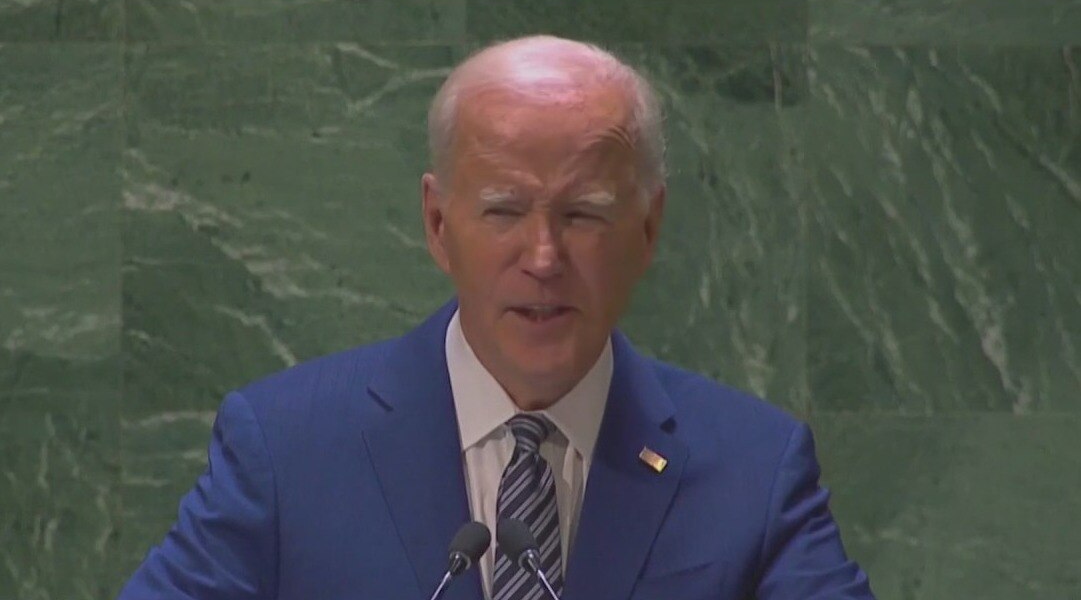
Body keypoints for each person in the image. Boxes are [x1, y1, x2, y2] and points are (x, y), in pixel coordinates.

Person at [118, 35, 874, 600]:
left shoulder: (754, 470)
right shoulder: (287, 451)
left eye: (583, 214)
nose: (543, 257)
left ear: (648, 230)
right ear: (437, 224)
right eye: (504, 211)